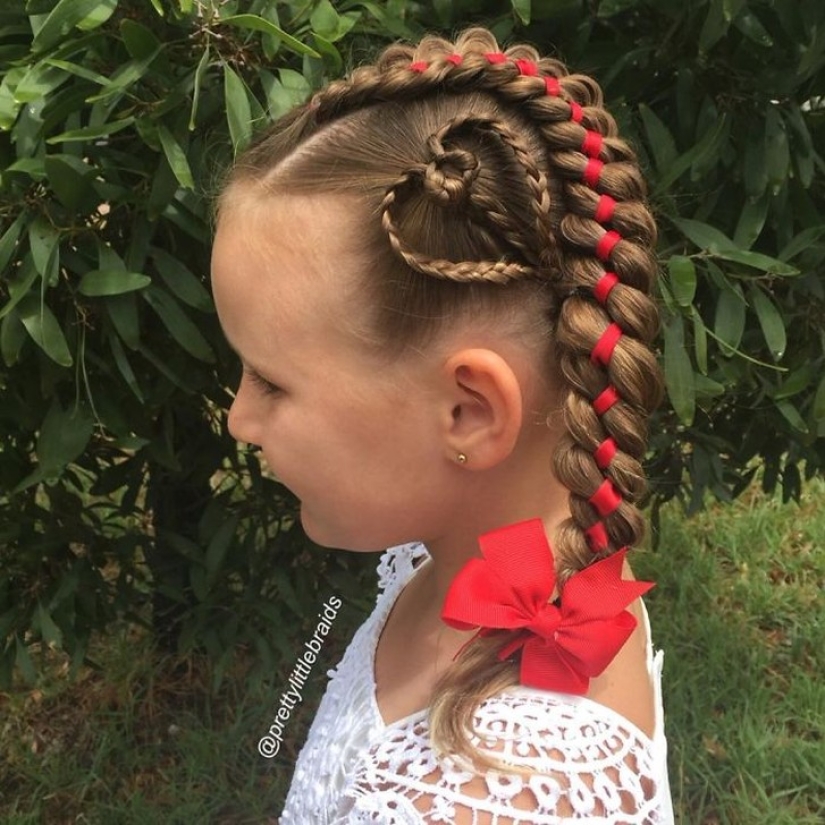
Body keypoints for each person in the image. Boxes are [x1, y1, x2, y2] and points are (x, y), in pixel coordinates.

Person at [211, 25, 674, 824]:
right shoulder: (533, 551)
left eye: (272, 383)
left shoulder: (494, 798)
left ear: (467, 411)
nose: (239, 419)